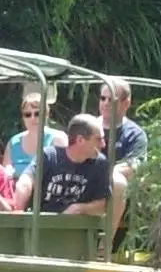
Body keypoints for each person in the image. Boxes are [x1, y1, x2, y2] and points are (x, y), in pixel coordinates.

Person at [13, 113, 112, 216]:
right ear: (80, 140)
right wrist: (19, 205)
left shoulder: (100, 164)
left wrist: (79, 209)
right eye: (98, 139)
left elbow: (102, 205)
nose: (103, 145)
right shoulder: (50, 156)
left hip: (75, 229)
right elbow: (26, 180)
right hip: (40, 225)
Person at [100, 77, 149, 240]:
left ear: (126, 103)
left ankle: (103, 247)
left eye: (111, 99)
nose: (106, 103)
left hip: (115, 191)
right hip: (84, 183)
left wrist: (106, 174)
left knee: (118, 182)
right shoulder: (88, 127)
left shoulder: (135, 135)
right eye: (102, 98)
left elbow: (135, 166)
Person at [5, 88, 66, 182]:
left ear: (46, 114)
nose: (33, 118)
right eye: (28, 114)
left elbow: (64, 173)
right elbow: (5, 175)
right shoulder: (13, 142)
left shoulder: (58, 139)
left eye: (37, 113)